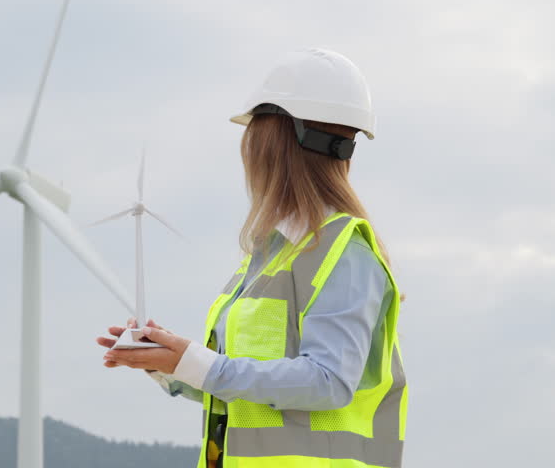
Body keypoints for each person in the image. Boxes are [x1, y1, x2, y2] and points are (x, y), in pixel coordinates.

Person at [96, 48, 407, 468]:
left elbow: (329, 382)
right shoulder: (272, 254)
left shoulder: (345, 253)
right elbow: (248, 394)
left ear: (273, 145)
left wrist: (199, 362)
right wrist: (171, 363)